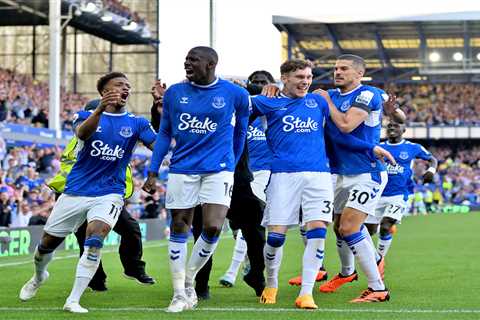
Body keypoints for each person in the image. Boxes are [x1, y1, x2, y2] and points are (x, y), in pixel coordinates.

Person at [251, 59, 394, 309]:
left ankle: (307, 294)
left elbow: (341, 131)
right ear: (284, 78)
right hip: (284, 176)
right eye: (299, 77)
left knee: (320, 231)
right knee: (275, 237)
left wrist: (371, 144)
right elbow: (236, 111)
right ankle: (271, 283)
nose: (306, 81)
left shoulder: (318, 101)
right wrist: (262, 88)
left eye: (309, 77)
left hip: (320, 176)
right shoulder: (267, 102)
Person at [19, 72, 157, 313]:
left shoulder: (138, 123)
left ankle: (73, 300)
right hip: (75, 192)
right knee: (46, 244)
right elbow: (83, 133)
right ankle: (39, 276)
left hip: (109, 193)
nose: (125, 89)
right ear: (104, 92)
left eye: (128, 86)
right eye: (118, 85)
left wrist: (162, 113)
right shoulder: (84, 116)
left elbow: (158, 146)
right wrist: (100, 110)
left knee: (95, 241)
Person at [142, 46, 250, 313]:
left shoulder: (235, 93)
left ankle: (189, 281)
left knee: (213, 227)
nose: (187, 63)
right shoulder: (175, 94)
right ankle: (180, 293)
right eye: (186, 59)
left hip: (219, 168)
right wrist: (153, 171)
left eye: (193, 60)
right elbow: (165, 133)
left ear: (211, 64)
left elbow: (242, 131)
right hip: (182, 168)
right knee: (180, 226)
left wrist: (232, 164)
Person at [47, 86, 164, 291]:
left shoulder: (116, 133)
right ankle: (96, 280)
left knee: (130, 229)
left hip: (106, 192)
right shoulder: (83, 141)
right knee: (87, 239)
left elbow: (154, 139)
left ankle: (133, 269)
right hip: (78, 193)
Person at [314, 54, 390, 303]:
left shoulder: (366, 94)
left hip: (367, 172)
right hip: (339, 172)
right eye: (335, 68)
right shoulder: (333, 95)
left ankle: (377, 288)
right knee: (339, 228)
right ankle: (356, 269)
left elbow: (346, 125)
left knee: (349, 227)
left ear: (359, 73)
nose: (337, 72)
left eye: (344, 68)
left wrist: (326, 100)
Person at [219, 70, 276, 295]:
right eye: (256, 82)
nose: (260, 85)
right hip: (240, 172)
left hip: (264, 172)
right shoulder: (242, 109)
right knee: (242, 226)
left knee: (254, 222)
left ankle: (234, 271)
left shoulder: (273, 108)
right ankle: (249, 267)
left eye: (265, 82)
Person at [364, 120, 437, 262]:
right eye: (389, 126)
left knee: (386, 226)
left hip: (400, 194)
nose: (391, 127)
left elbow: (432, 159)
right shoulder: (379, 146)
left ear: (404, 130)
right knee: (367, 232)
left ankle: (380, 260)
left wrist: (431, 170)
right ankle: (376, 257)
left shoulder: (413, 147)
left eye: (396, 126)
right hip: (378, 194)